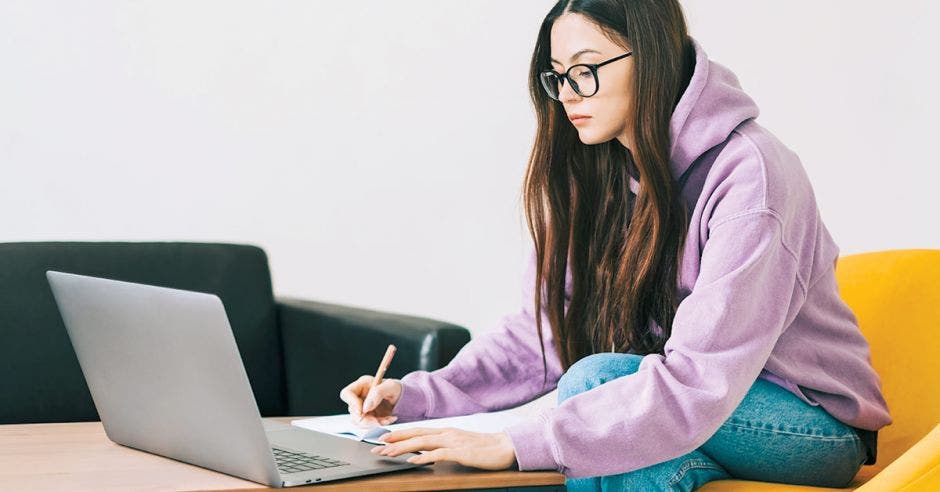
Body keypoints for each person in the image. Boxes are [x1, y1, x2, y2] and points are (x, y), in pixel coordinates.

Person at [339, 0, 892, 489]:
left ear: (650, 58)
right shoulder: (599, 171)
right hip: (700, 410)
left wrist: (517, 442)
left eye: (587, 70)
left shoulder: (752, 176)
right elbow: (546, 334)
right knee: (626, 455)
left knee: (595, 386)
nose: (569, 95)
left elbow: (702, 380)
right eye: (558, 76)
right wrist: (416, 399)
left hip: (811, 426)